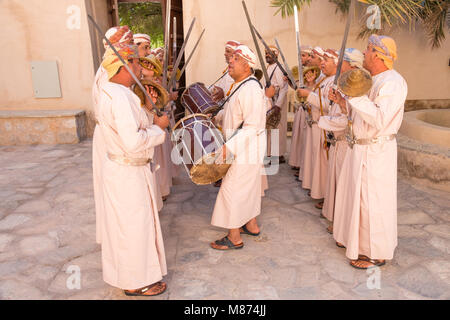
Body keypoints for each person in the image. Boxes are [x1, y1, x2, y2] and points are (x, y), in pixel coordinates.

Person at [97, 44, 170, 296]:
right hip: (127, 172)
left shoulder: (113, 91)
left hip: (123, 169)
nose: (141, 66)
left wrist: (147, 113)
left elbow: (131, 128)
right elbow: (133, 141)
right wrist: (159, 128)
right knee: (133, 227)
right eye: (137, 62)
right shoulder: (119, 96)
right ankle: (135, 282)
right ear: (124, 65)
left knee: (129, 226)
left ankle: (134, 277)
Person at [330, 35, 407, 269]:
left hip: (376, 151)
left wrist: (354, 96)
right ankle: (356, 242)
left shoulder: (392, 82)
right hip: (360, 148)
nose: (364, 53)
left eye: (367, 49)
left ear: (377, 54)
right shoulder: (373, 80)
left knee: (372, 202)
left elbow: (378, 118)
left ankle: (375, 253)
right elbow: (360, 118)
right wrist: (345, 104)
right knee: (357, 198)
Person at [210, 45, 268, 250]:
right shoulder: (241, 85)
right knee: (248, 187)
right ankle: (251, 225)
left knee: (232, 188)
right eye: (230, 58)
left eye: (235, 59)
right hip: (245, 145)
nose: (230, 62)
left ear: (247, 65)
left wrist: (229, 147)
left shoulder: (251, 88)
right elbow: (233, 114)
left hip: (245, 146)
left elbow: (252, 125)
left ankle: (234, 236)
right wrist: (215, 116)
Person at [92, 26, 133, 245]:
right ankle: (116, 237)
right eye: (128, 43)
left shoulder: (108, 70)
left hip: (112, 132)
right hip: (112, 136)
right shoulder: (110, 74)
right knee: (116, 195)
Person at [318, 48, 364, 234]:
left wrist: (324, 122)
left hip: (347, 142)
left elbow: (352, 118)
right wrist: (338, 102)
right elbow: (345, 110)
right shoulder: (343, 83)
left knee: (345, 188)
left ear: (351, 65)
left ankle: (343, 225)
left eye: (341, 61)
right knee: (337, 184)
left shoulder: (358, 86)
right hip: (337, 141)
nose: (338, 65)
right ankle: (337, 221)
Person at [288, 45, 312, 171]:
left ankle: (303, 166)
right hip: (300, 108)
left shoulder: (313, 71)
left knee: (304, 138)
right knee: (297, 137)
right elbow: (298, 89)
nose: (301, 58)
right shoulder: (300, 70)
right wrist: (290, 82)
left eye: (303, 55)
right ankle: (297, 162)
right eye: (300, 55)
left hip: (308, 108)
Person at [265, 45, 289, 164]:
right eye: (266, 53)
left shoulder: (279, 68)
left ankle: (277, 155)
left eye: (269, 53)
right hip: (270, 100)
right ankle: (270, 153)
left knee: (277, 129)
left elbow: (284, 88)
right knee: (270, 128)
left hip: (277, 102)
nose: (267, 55)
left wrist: (278, 105)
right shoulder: (269, 67)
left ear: (276, 54)